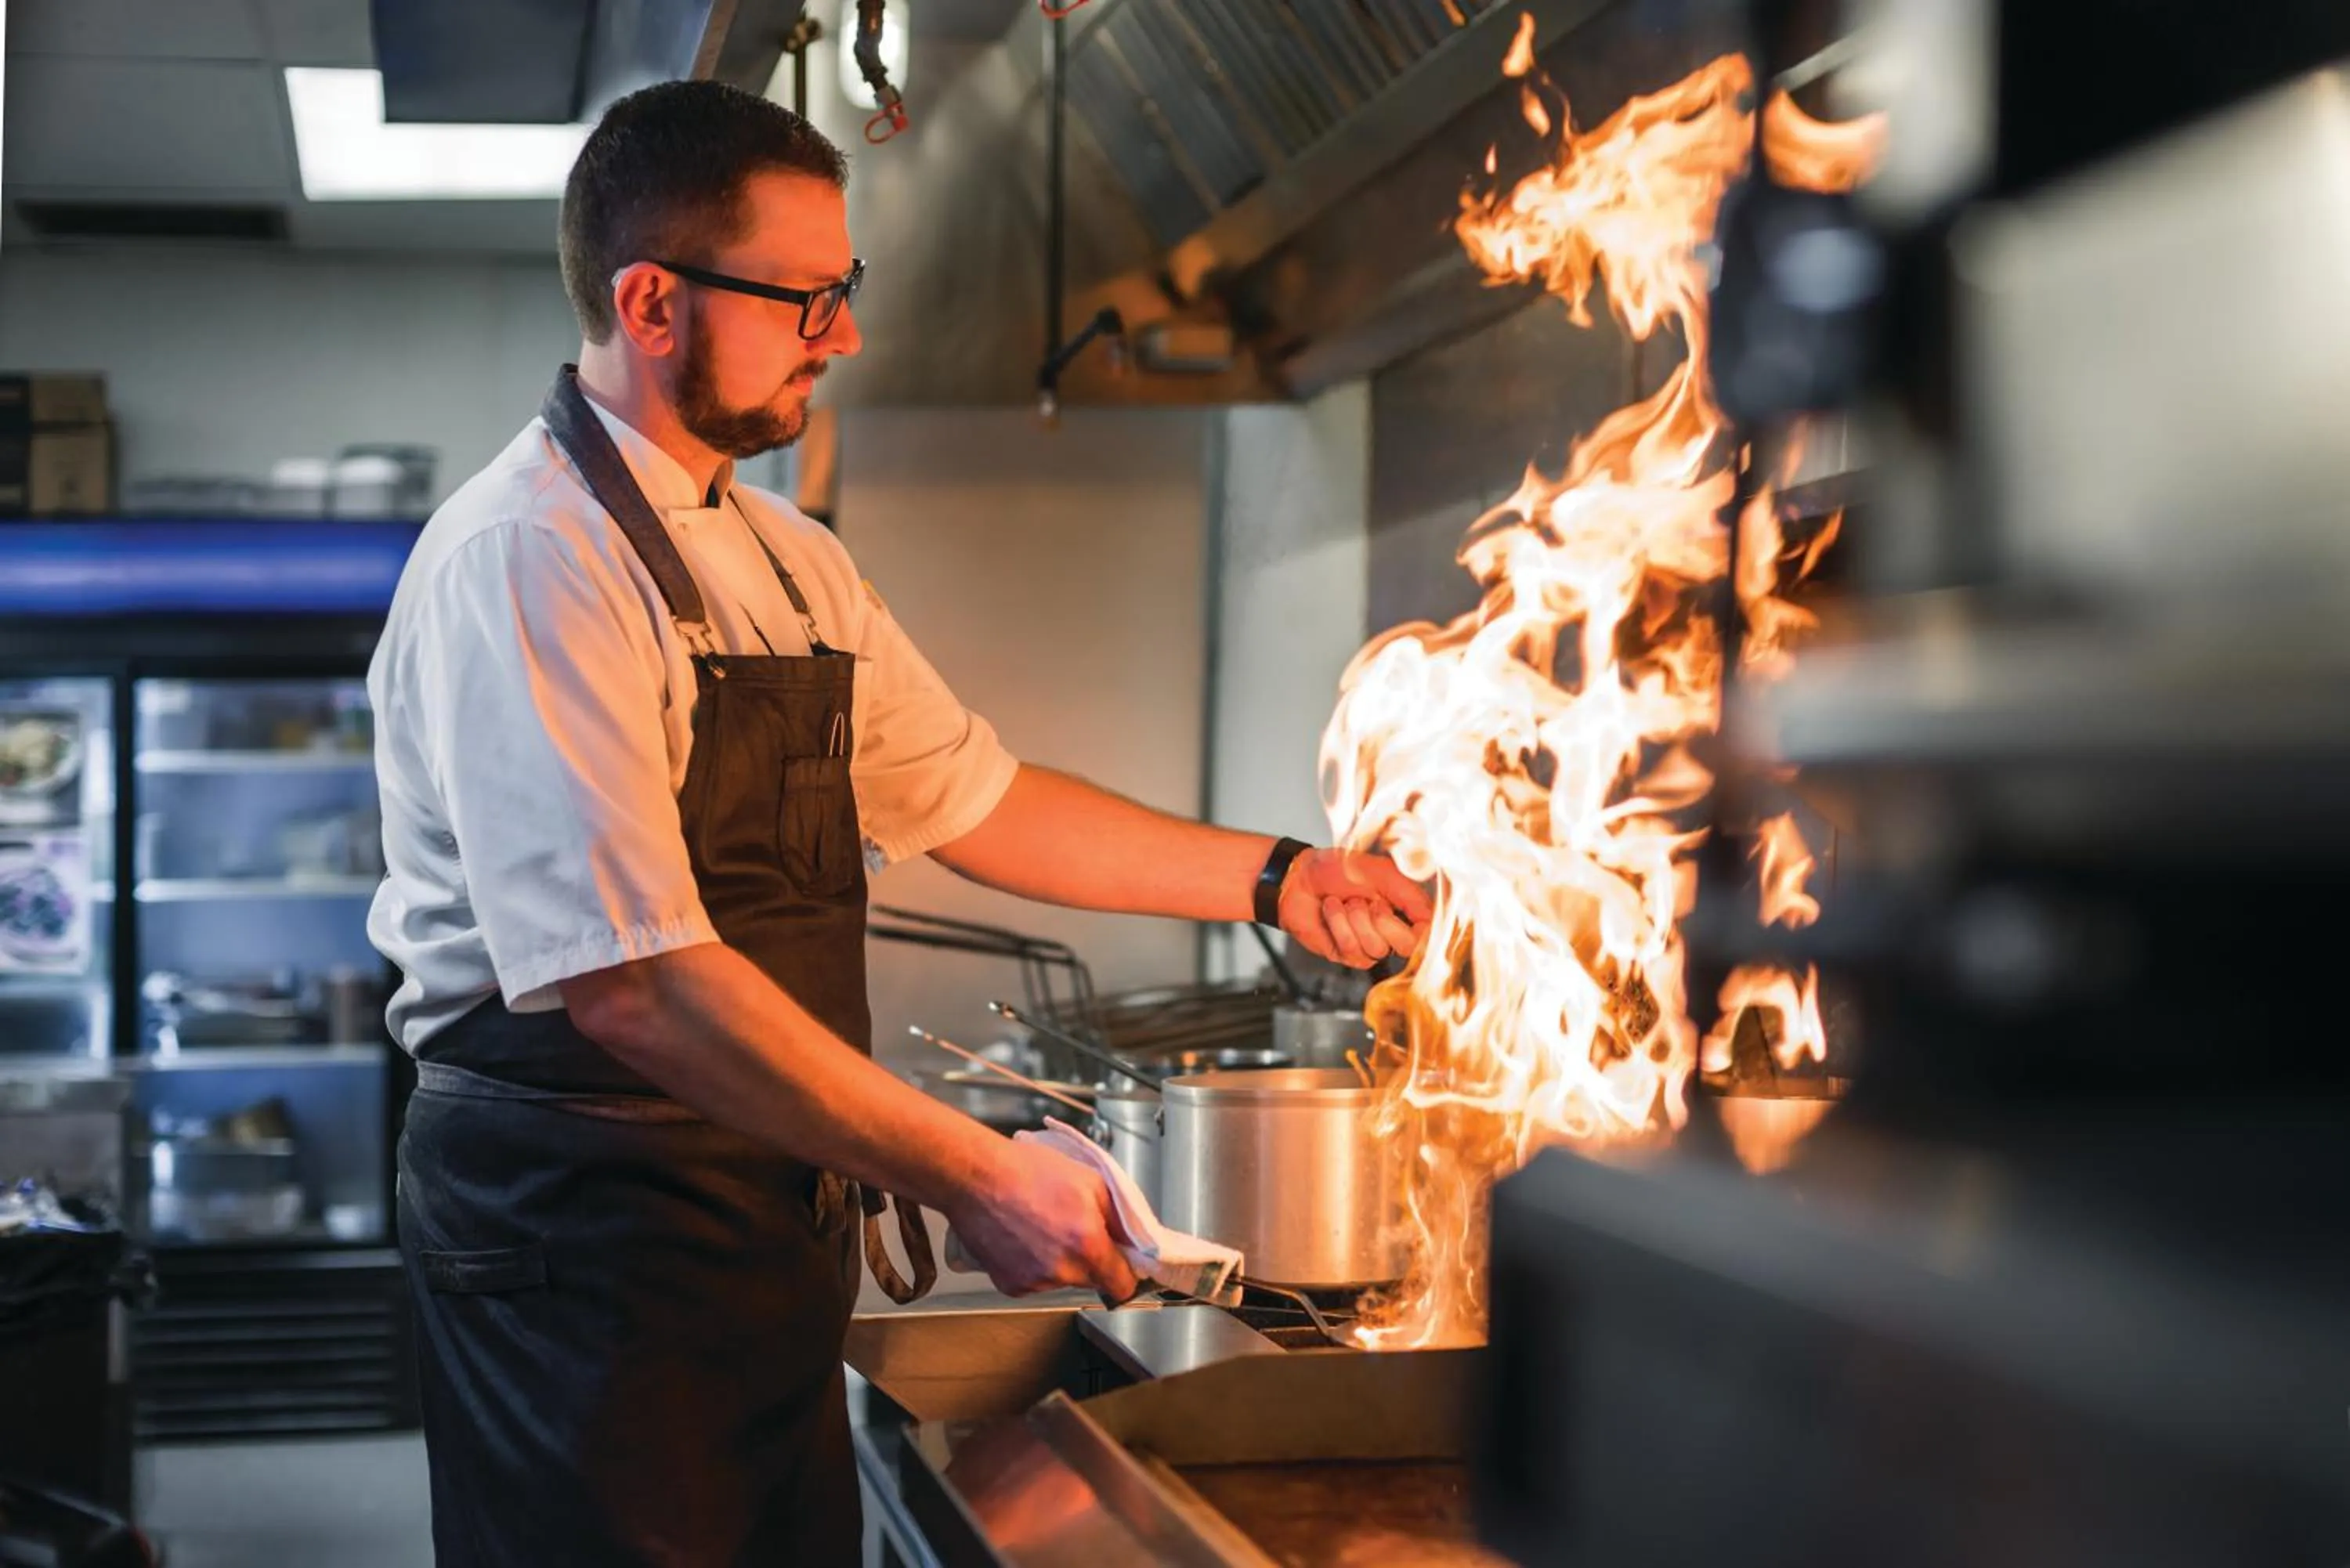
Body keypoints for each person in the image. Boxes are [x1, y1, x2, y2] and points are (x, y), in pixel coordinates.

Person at [366, 79, 1430, 1568]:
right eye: (807, 298)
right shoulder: (531, 561)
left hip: (758, 1204)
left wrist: (1280, 876)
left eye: (842, 292)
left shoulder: (792, 561)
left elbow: (981, 800)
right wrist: (978, 1170)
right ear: (653, 298)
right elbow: (635, 981)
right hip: (583, 1233)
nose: (843, 336)